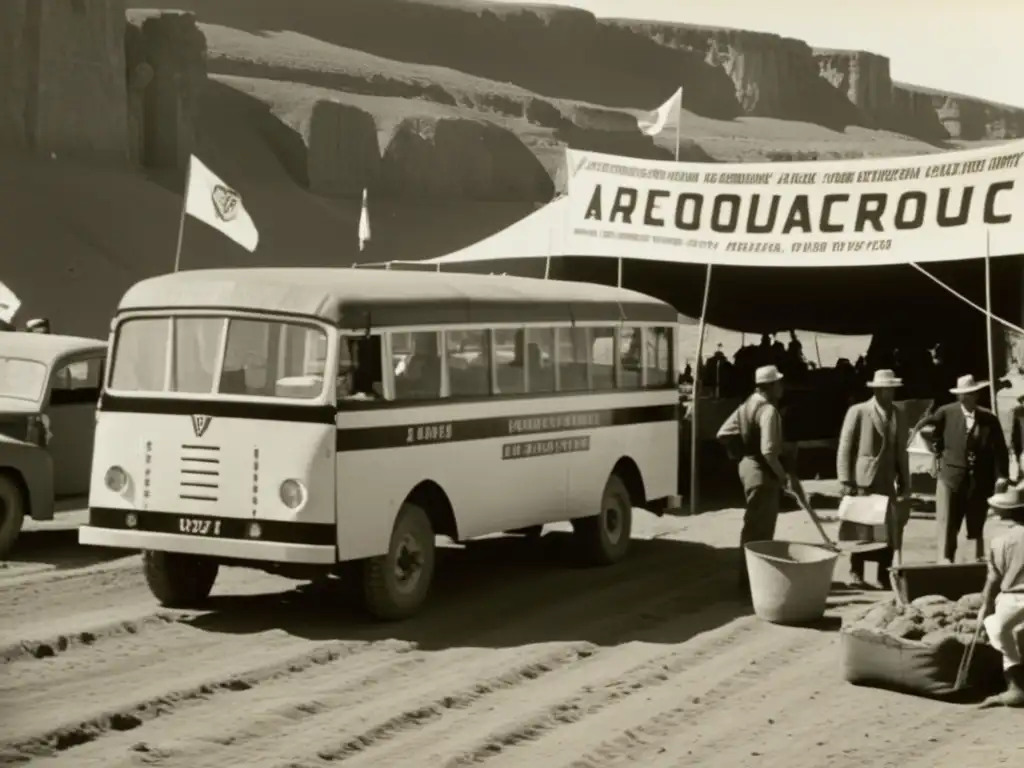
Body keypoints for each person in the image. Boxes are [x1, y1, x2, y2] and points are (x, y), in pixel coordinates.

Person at [716, 364, 792, 597]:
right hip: (763, 472)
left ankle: (747, 580)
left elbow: (723, 433)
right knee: (762, 532)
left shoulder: (745, 406)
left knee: (751, 529)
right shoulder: (768, 410)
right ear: (771, 386)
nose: (782, 387)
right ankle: (754, 584)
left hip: (748, 468)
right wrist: (782, 475)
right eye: (779, 383)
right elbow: (769, 451)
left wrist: (740, 453)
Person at [918, 374, 1009, 563]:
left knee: (976, 519)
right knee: (949, 521)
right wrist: (937, 454)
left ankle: (976, 559)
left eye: (972, 394)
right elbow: (926, 430)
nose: (968, 398)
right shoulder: (946, 413)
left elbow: (1000, 449)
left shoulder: (988, 418)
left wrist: (1002, 475)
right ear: (959, 397)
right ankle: (945, 559)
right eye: (965, 395)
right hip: (951, 477)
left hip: (980, 479)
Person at [836, 369, 911, 590]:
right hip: (864, 480)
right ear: (877, 390)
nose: (890, 392)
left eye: (892, 388)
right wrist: (845, 479)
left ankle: (883, 574)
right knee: (861, 526)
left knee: (886, 529)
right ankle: (856, 572)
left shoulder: (899, 413)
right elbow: (845, 447)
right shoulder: (859, 411)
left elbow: (902, 451)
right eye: (886, 388)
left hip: (888, 480)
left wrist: (905, 481)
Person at [978, 483, 1024, 708]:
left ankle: (1015, 686)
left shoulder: (1000, 541)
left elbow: (993, 580)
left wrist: (985, 606)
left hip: (1012, 601)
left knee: (993, 625)